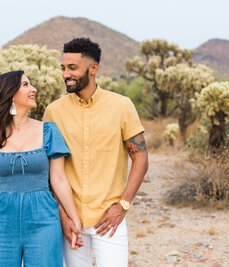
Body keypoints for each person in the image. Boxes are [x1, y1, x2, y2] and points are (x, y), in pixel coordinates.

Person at [0, 70, 81, 267]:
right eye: (26, 85)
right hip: (2, 220)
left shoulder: (48, 131)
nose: (34, 89)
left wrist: (74, 219)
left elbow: (59, 179)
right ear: (10, 93)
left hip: (44, 219)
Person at [43, 38, 149, 267]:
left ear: (93, 69)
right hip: (71, 221)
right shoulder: (54, 111)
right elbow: (50, 169)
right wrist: (63, 216)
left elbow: (140, 157)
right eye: (63, 68)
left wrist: (123, 205)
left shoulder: (122, 106)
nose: (65, 74)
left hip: (109, 219)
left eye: (72, 68)